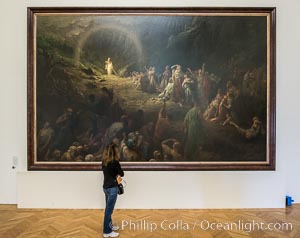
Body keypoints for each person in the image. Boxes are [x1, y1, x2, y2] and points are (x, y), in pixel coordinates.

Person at [102, 143, 124, 237]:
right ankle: (107, 232)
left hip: (105, 187)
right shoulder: (115, 162)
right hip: (112, 189)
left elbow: (109, 174)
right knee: (109, 210)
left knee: (108, 209)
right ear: (114, 151)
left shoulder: (104, 162)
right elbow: (121, 173)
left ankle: (109, 225)